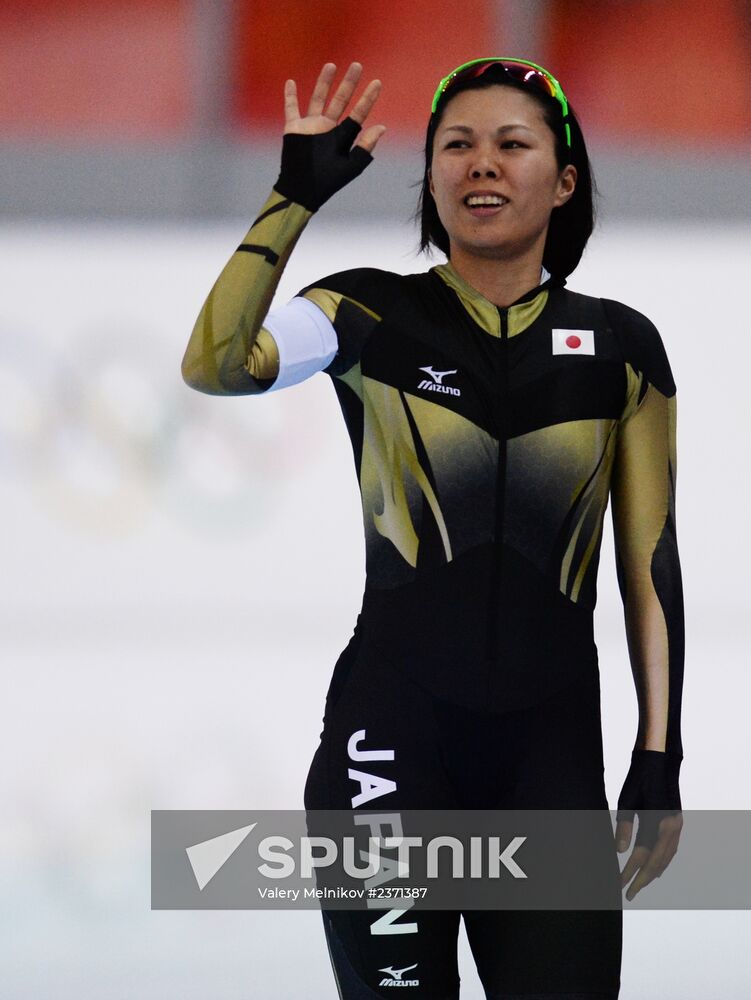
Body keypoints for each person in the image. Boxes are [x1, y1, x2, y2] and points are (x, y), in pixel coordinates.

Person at [181, 57, 685, 1000]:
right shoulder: (367, 312)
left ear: (564, 180)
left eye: (510, 144)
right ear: (429, 178)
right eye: (455, 145)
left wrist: (658, 757)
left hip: (550, 762)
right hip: (389, 753)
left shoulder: (621, 346)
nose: (479, 165)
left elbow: (648, 562)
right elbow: (215, 363)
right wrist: (294, 196)